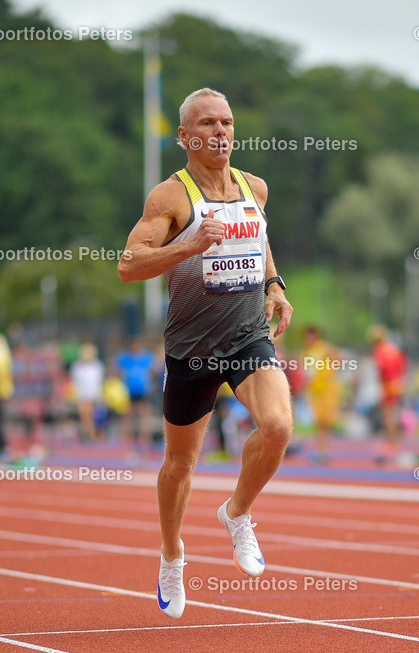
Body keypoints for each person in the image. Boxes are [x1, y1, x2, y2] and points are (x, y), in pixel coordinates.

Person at [119, 87, 294, 618]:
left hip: (246, 337)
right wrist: (192, 245)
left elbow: (258, 240)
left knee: (279, 427)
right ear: (184, 136)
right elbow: (130, 264)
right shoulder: (170, 198)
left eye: (227, 122)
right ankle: (172, 555)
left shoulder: (254, 187)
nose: (220, 131)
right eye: (208, 123)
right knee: (180, 464)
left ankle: (237, 513)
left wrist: (275, 286)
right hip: (192, 348)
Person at [368, 325, 408, 464]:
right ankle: (392, 441)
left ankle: (391, 443)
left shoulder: (380, 351)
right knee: (393, 414)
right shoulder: (393, 349)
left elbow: (382, 367)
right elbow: (403, 364)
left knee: (387, 416)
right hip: (397, 383)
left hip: (387, 385)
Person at [301, 325, 341, 463]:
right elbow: (308, 373)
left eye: (310, 336)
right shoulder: (308, 352)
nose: (308, 339)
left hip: (326, 390)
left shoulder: (323, 347)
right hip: (315, 391)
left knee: (324, 421)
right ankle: (321, 449)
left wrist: (330, 372)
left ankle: (323, 450)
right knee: (318, 422)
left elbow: (338, 356)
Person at [115, 339, 156, 453]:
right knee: (127, 415)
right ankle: (126, 439)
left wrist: (150, 383)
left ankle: (144, 439)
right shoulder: (125, 358)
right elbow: (117, 370)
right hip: (128, 390)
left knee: (143, 414)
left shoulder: (146, 357)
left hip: (143, 390)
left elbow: (153, 370)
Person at [70, 342, 104, 442]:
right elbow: (75, 382)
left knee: (90, 415)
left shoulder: (97, 366)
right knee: (84, 414)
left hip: (92, 395)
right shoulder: (77, 366)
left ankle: (91, 434)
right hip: (81, 394)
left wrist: (98, 396)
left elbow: (98, 382)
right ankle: (88, 434)